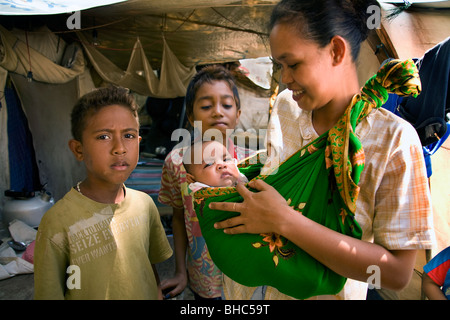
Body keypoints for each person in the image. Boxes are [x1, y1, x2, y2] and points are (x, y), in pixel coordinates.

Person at [211, 0, 435, 300]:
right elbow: (277, 177)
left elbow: (395, 275)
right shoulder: (286, 107)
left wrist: (285, 221)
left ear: (336, 51)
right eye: (279, 65)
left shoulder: (393, 141)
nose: (284, 79)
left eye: (293, 64)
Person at [34, 86, 173, 300]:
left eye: (128, 135)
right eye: (103, 136)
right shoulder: (57, 223)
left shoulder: (145, 205)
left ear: (138, 143)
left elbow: (149, 268)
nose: (119, 148)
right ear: (78, 150)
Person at [158, 65, 255, 300]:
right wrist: (180, 272)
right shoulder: (176, 162)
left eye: (227, 104)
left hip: (247, 278)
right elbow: (179, 218)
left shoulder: (250, 163)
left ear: (238, 114)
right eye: (206, 106)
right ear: (191, 116)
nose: (218, 112)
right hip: (203, 280)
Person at [183, 140, 248, 193]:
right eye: (209, 164)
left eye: (226, 159)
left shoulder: (250, 178)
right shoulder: (207, 201)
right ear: (191, 179)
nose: (222, 165)